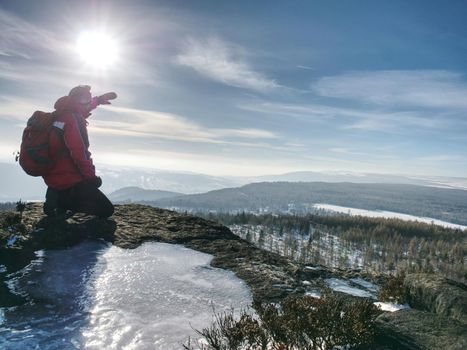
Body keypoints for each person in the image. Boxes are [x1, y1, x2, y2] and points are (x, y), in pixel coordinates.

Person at [42, 85, 116, 219]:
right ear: (74, 100)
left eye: (88, 97)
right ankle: (60, 202)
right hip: (70, 180)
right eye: (84, 98)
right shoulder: (72, 120)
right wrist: (91, 178)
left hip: (54, 177)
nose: (87, 101)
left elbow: (83, 108)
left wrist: (98, 100)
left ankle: (56, 194)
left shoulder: (60, 114)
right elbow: (80, 154)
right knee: (107, 210)